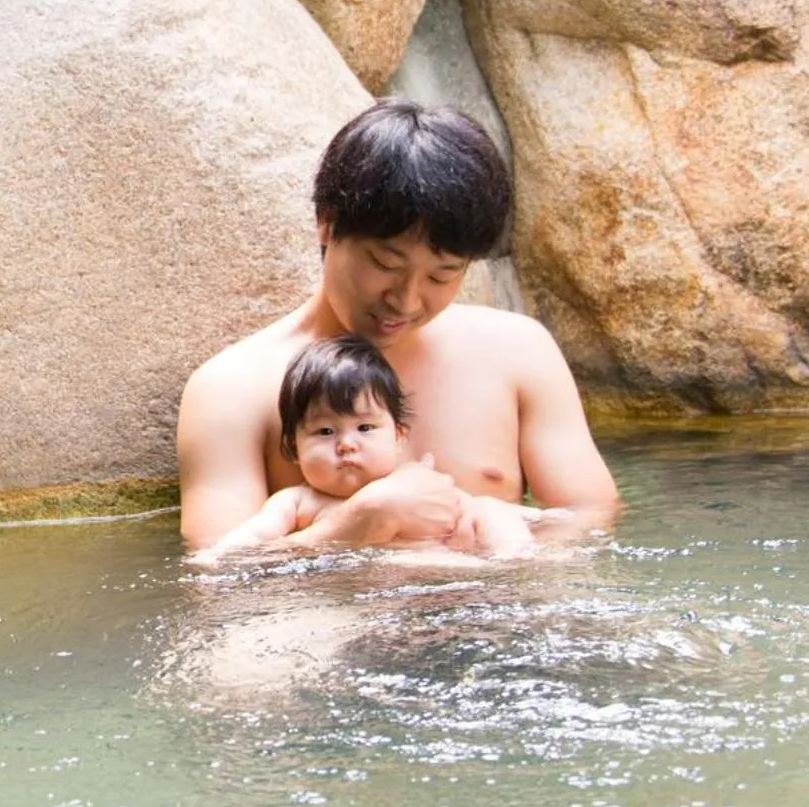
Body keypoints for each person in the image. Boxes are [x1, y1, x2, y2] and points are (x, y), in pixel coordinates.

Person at [176, 99, 618, 550]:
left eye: (441, 275)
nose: (405, 300)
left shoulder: (519, 351)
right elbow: (218, 580)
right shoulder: (231, 389)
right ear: (327, 225)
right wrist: (358, 522)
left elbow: (592, 518)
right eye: (385, 263)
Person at [193, 335, 542, 558]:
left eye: (364, 427)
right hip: (357, 598)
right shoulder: (297, 503)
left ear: (398, 435)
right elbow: (248, 543)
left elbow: (469, 507)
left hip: (450, 576)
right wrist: (214, 557)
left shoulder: (416, 480)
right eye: (326, 431)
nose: (346, 445)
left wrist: (533, 518)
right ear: (294, 448)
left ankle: (518, 560)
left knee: (489, 509)